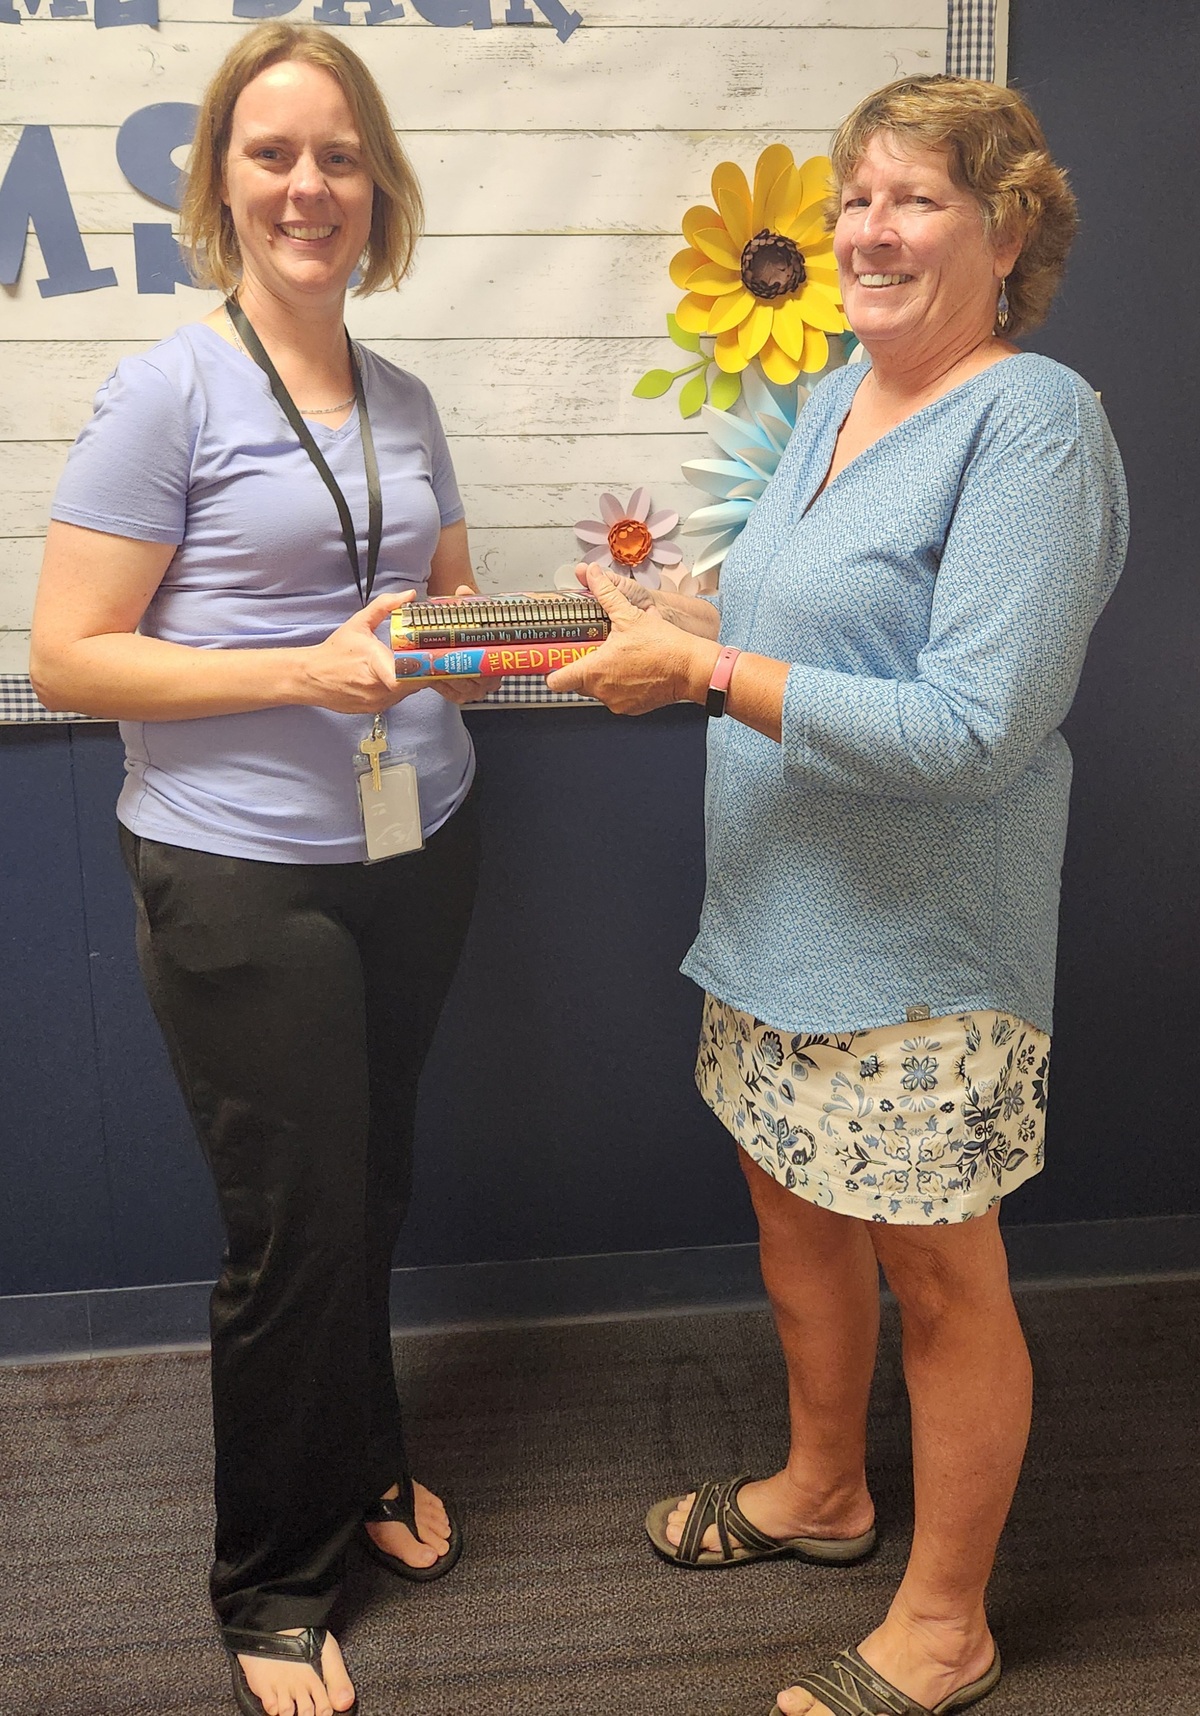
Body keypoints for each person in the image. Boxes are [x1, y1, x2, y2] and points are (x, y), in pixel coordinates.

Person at [548, 75, 1128, 1716]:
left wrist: (707, 668)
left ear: (1008, 228)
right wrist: (675, 607)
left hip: (925, 952)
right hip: (777, 925)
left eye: (914, 199)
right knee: (795, 1223)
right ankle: (825, 1492)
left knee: (941, 1279)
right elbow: (794, 611)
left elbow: (970, 724)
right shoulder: (831, 397)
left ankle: (948, 1626)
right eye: (854, 199)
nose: (867, 230)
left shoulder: (1034, 422)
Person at [30, 23, 487, 1716]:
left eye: (341, 156)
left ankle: (362, 1464)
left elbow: (438, 632)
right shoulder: (169, 388)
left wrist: (596, 625)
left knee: (368, 1193)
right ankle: (274, 1580)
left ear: (381, 187)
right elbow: (70, 656)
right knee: (291, 1229)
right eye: (274, 154)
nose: (311, 186)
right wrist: (301, 669)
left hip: (415, 844)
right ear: (221, 182)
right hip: (240, 878)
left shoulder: (410, 398)